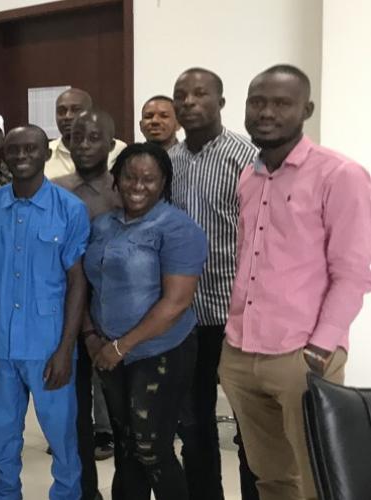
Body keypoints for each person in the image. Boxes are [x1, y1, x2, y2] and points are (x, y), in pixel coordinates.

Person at [221, 64, 371, 500]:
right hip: (241, 352)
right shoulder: (249, 177)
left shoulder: (340, 175)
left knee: (318, 476)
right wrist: (232, 348)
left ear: (306, 109)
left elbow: (354, 271)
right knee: (269, 475)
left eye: (281, 103)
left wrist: (321, 347)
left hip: (301, 355)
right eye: (257, 102)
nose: (266, 112)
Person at [0, 125, 89, 500]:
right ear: (3, 155)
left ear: (46, 154)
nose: (21, 156)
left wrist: (66, 348)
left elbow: (77, 282)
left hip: (50, 346)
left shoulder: (70, 209)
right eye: (13, 150)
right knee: (2, 435)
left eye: (30, 149)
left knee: (62, 437)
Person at [84, 143, 208, 500]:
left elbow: (176, 302)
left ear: (164, 182)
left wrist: (122, 347)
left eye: (149, 179)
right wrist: (92, 337)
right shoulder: (103, 224)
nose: (138, 186)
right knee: (126, 445)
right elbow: (86, 283)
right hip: (107, 350)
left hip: (159, 351)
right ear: (116, 180)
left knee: (151, 447)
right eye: (129, 177)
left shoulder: (177, 228)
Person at [168, 66, 260, 500]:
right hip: (185, 317)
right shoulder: (170, 163)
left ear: (222, 103)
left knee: (249, 429)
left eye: (199, 94)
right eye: (180, 95)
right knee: (194, 423)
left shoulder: (247, 159)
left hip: (237, 316)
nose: (188, 102)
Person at [52, 110, 123, 497]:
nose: (82, 145)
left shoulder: (126, 189)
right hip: (70, 320)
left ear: (111, 145)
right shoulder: (56, 191)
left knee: (124, 418)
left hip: (121, 322)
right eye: (76, 138)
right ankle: (86, 492)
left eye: (93, 138)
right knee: (74, 417)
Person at [46, 88, 127, 179]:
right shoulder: (45, 152)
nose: (67, 116)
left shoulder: (118, 149)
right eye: (61, 111)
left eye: (76, 110)